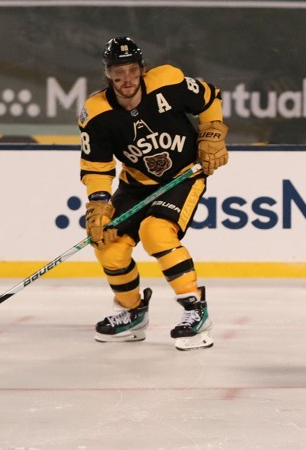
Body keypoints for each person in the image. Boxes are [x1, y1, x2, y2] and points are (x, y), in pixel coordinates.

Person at [77, 36, 229, 350]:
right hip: (134, 186)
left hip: (183, 176)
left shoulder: (169, 82)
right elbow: (96, 165)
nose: (127, 79)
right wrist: (99, 204)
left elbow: (210, 96)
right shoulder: (96, 113)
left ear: (143, 69)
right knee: (108, 246)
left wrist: (212, 131)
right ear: (108, 74)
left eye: (132, 70)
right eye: (119, 73)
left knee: (156, 231)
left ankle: (195, 311)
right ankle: (132, 312)